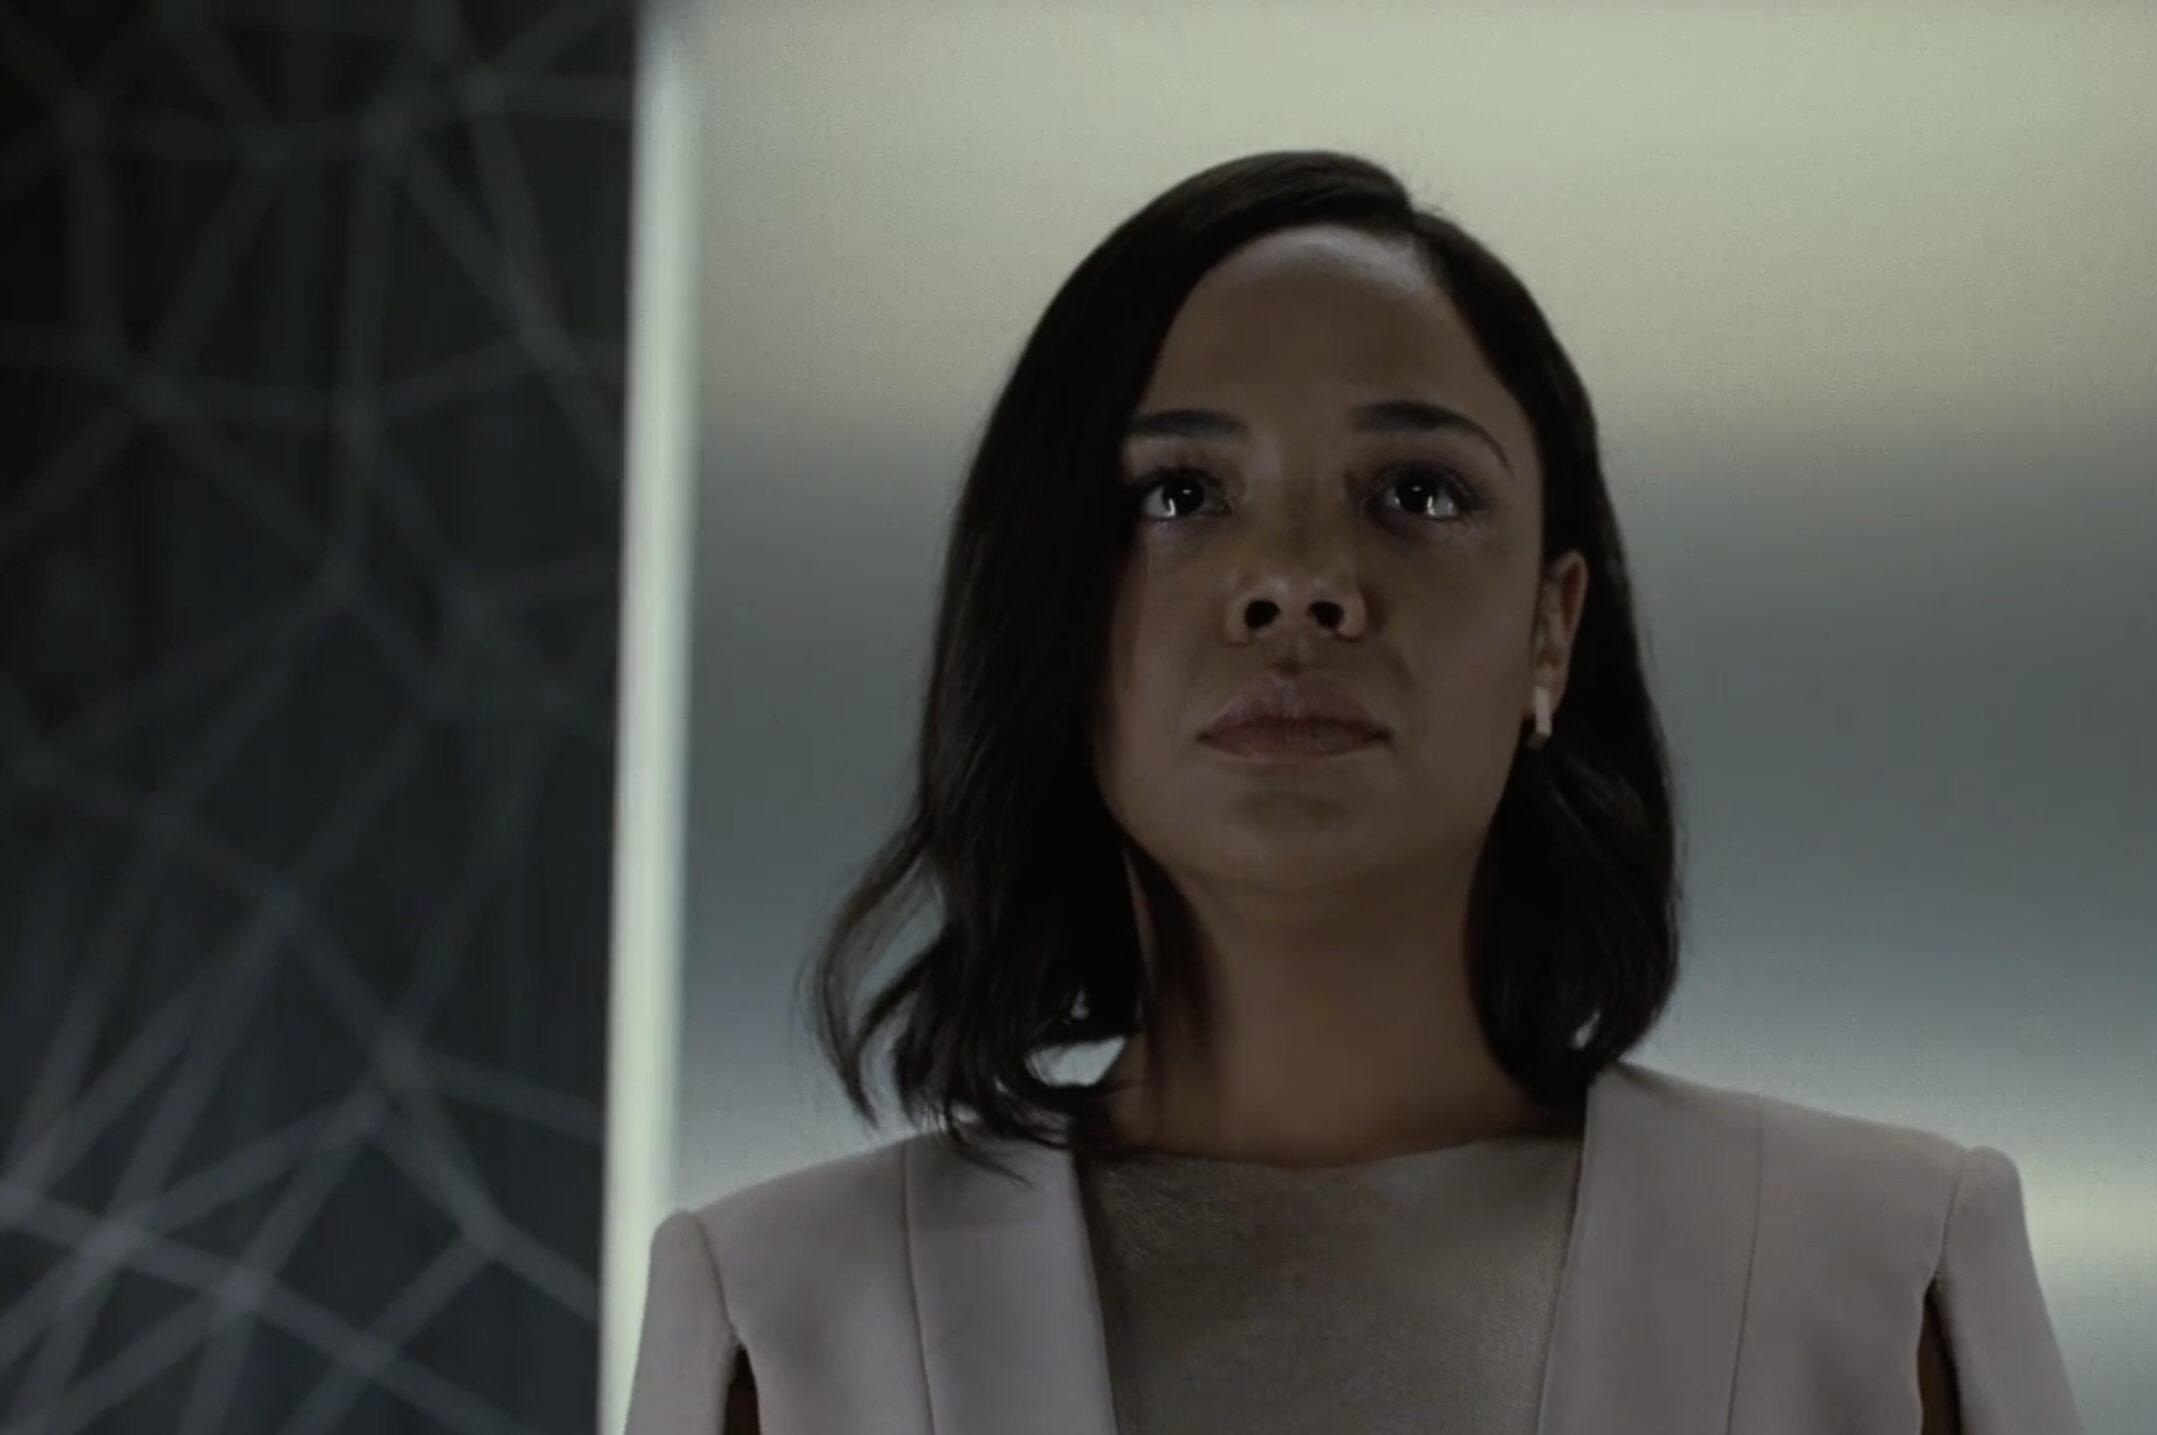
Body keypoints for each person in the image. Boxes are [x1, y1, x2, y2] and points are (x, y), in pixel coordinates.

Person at [622, 149, 2082, 1435]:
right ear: (1048, 614)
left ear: (1552, 631)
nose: (1298, 583)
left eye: (1418, 494)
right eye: (1179, 494)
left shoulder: (1887, 1277)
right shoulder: (783, 1322)